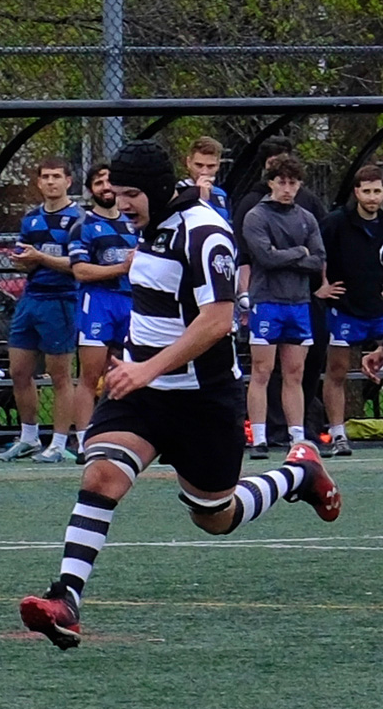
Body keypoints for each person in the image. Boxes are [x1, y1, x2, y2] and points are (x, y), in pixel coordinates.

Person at [19, 140, 340, 650]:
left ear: (156, 189)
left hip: (203, 399)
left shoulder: (205, 232)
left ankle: (300, 473)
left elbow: (216, 321)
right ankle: (66, 598)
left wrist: (148, 368)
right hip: (144, 392)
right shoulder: (151, 225)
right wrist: (140, 366)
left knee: (216, 516)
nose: (120, 203)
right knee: (102, 473)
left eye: (129, 194)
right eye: (113, 192)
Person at [0, 157, 82, 463]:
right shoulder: (31, 219)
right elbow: (26, 255)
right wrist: (23, 260)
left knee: (60, 375)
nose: (50, 182)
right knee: (19, 371)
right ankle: (29, 437)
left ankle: (59, 443)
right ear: (38, 182)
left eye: (56, 176)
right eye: (45, 177)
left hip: (61, 300)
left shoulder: (79, 219)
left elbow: (78, 265)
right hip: (30, 299)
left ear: (68, 181)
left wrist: (42, 258)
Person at [241, 154, 325, 457]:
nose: (287, 188)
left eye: (293, 182)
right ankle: (260, 437)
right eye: (281, 182)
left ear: (299, 184)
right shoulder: (257, 216)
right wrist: (299, 252)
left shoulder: (306, 217)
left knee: (295, 372)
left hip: (298, 303)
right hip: (267, 302)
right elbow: (264, 257)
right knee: (262, 370)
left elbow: (318, 260)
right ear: (271, 182)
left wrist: (289, 254)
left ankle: (297, 436)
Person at [65, 161, 138, 461]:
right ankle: (84, 441)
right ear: (91, 190)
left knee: (135, 370)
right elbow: (80, 270)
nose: (105, 188)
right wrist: (122, 267)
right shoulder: (83, 225)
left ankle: (133, 436)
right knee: (90, 374)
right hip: (98, 302)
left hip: (132, 302)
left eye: (110, 181)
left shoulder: (134, 223)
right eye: (98, 183)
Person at [318, 163, 383, 456]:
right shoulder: (336, 222)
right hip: (344, 307)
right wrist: (321, 286)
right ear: (356, 192)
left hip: (379, 307)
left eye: (377, 191)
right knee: (338, 370)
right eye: (367, 191)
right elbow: (317, 254)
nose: (372, 197)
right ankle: (338, 433)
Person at [182, 136, 231, 219]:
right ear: (189, 163)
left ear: (218, 165)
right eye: (199, 165)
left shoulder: (220, 194)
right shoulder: (178, 192)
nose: (204, 172)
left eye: (211, 166)